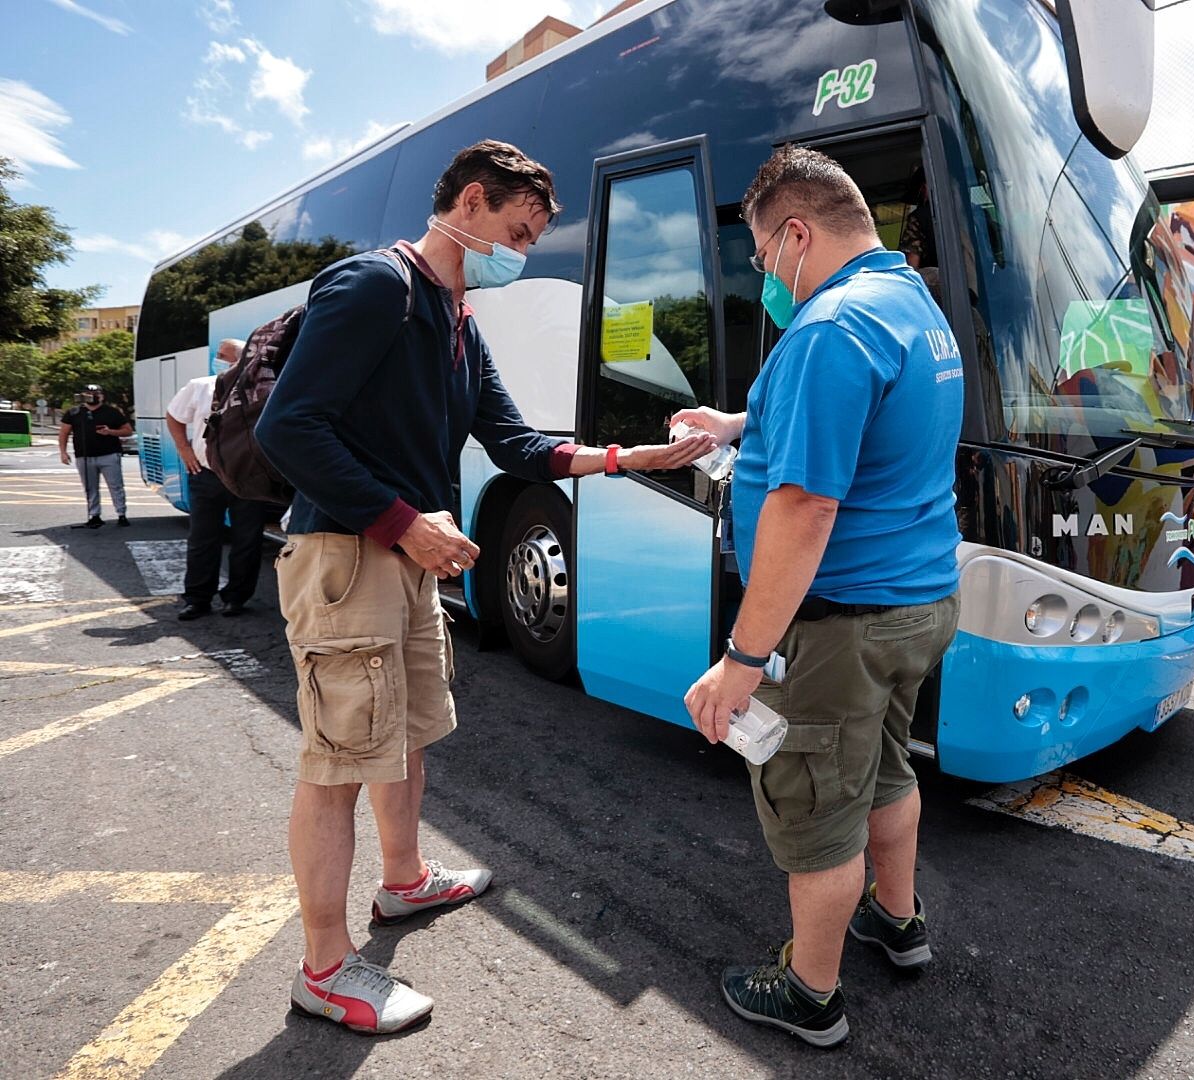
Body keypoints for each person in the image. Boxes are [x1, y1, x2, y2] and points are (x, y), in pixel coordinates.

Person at [256, 139, 714, 1035]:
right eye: (518, 230)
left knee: (407, 732)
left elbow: (518, 444)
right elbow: (289, 429)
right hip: (347, 559)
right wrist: (405, 521)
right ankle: (322, 968)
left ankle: (402, 881)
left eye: (534, 239)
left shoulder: (460, 319)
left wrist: (632, 457)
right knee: (340, 764)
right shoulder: (375, 288)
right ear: (469, 204)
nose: (523, 253)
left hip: (405, 558)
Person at [679, 145, 964, 1049]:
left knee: (815, 807)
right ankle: (899, 919)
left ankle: (809, 992)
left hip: (846, 624)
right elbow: (873, 427)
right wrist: (741, 424)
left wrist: (742, 660)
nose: (767, 276)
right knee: (886, 769)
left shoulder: (830, 330)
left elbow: (804, 509)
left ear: (797, 233)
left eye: (765, 256)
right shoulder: (912, 308)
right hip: (917, 606)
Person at [165, 339, 272, 620]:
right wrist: (185, 450)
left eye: (225, 355)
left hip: (248, 477)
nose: (220, 359)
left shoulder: (260, 389)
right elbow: (174, 415)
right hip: (206, 474)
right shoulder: (200, 386)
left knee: (247, 540)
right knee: (202, 539)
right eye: (220, 355)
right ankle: (198, 599)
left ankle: (236, 597)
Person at [58, 384, 131, 529]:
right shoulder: (74, 412)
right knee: (90, 488)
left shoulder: (112, 412)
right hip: (84, 456)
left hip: (109, 455)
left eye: (96, 393)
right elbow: (64, 433)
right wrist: (63, 452)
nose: (92, 396)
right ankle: (94, 515)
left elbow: (128, 431)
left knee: (115, 485)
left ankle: (121, 514)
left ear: (102, 396)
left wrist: (110, 432)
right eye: (88, 393)